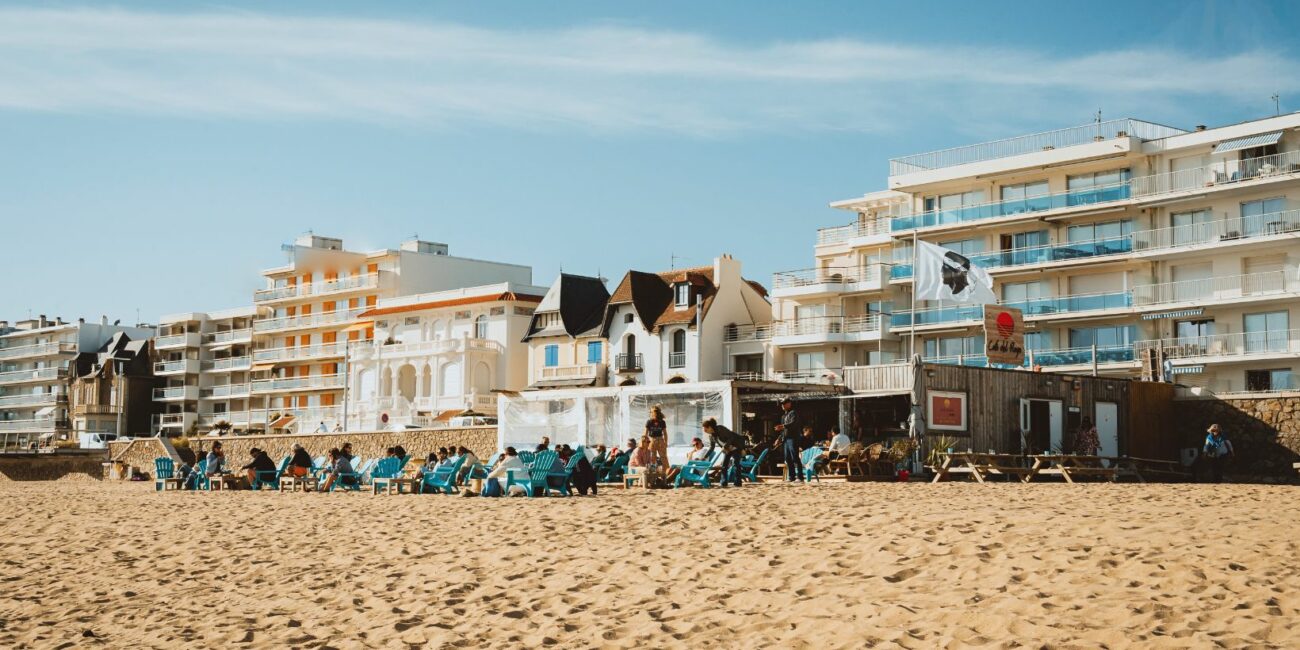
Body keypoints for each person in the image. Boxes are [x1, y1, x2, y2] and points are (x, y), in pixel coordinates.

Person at [702, 418, 746, 488]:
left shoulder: (720, 429)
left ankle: (738, 482)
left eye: (705, 429)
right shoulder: (711, 436)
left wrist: (725, 446)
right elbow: (712, 447)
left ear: (710, 427)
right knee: (724, 465)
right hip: (727, 449)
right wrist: (705, 456)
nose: (704, 431)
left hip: (736, 446)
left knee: (736, 464)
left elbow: (731, 437)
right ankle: (723, 482)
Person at [774, 398, 804, 482]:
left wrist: (783, 426)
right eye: (782, 404)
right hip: (786, 439)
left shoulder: (793, 413)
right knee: (787, 458)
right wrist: (779, 439)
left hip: (793, 438)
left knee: (795, 457)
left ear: (789, 404)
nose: (782, 405)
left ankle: (800, 477)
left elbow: (793, 423)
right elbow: (783, 430)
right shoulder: (783, 416)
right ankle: (791, 477)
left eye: (784, 403)